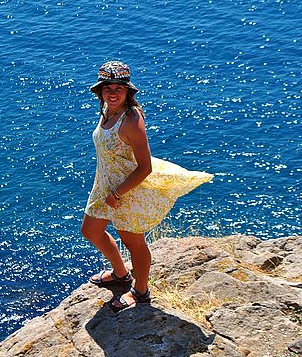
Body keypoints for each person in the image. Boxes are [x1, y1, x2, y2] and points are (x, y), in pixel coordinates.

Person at [81, 61, 213, 312]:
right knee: (91, 231)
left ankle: (141, 291)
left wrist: (118, 193)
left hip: (127, 191)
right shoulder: (108, 111)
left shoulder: (131, 120)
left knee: (135, 244)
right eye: (107, 87)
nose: (112, 92)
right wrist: (108, 190)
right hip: (105, 185)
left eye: (118, 87)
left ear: (128, 91)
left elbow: (145, 167)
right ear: (99, 91)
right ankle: (120, 274)